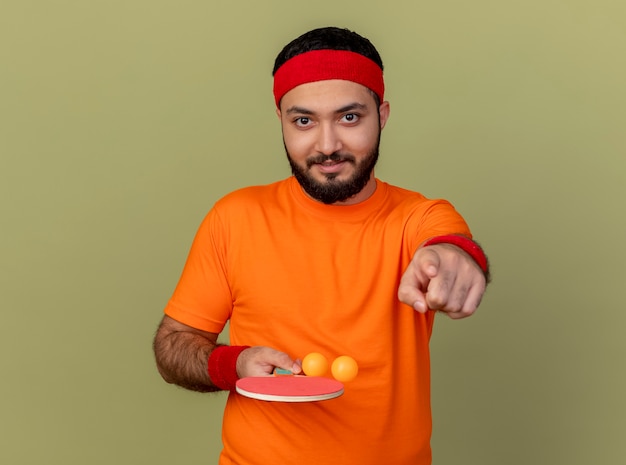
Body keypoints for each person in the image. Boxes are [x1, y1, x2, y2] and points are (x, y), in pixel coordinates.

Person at [153, 26, 490, 465]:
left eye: (349, 117)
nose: (327, 145)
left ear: (382, 114)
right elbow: (173, 345)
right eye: (304, 121)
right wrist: (234, 365)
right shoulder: (234, 218)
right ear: (281, 120)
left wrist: (454, 258)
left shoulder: (418, 217)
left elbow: (451, 244)